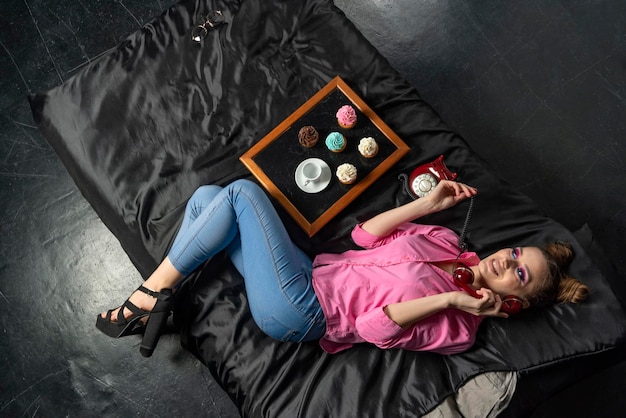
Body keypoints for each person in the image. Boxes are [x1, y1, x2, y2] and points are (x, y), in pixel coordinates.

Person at [97, 179, 589, 357]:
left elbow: (373, 328)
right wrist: (425, 205)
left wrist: (450, 298)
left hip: (306, 312)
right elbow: (360, 239)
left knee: (241, 193)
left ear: (510, 303)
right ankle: (161, 300)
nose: (506, 260)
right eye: (517, 253)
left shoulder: (459, 327)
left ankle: (150, 294)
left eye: (518, 274)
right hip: (308, 273)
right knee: (209, 199)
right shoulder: (446, 239)